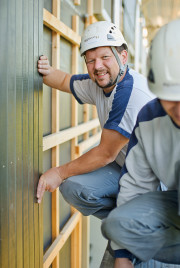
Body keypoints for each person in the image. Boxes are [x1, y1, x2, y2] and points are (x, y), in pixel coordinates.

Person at [36, 21, 154, 220]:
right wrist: (45, 71)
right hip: (126, 166)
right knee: (74, 189)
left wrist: (58, 172)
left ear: (122, 56)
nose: (97, 66)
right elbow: (66, 81)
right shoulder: (101, 82)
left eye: (105, 57)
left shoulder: (132, 94)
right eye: (90, 60)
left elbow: (105, 154)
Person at [101, 19, 180, 268]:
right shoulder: (149, 119)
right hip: (173, 202)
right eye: (170, 97)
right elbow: (136, 185)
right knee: (117, 224)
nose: (178, 108)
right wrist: (122, 254)